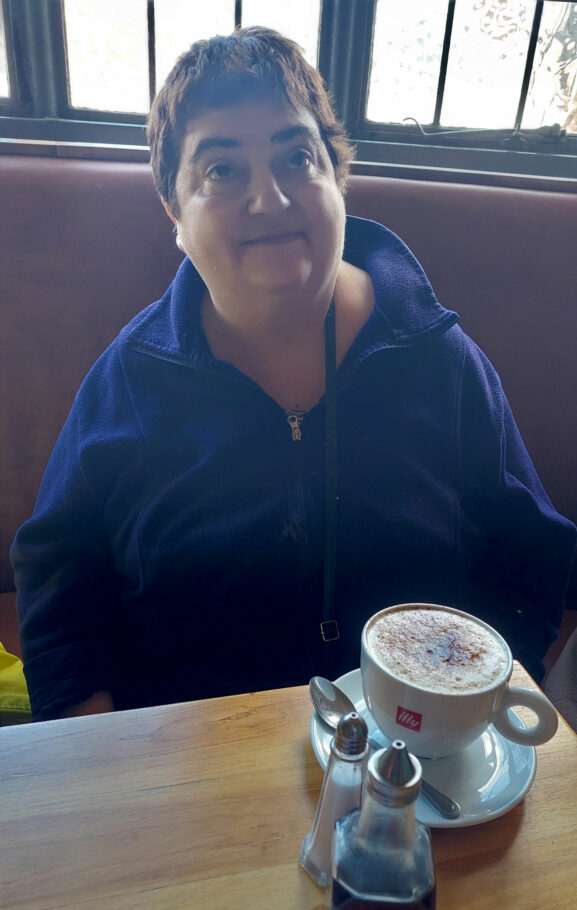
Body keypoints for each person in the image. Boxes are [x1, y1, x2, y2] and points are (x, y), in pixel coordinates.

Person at [11, 27, 576, 721]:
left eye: (296, 158)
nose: (271, 199)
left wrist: (467, 714)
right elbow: (59, 580)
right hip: (187, 757)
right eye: (222, 170)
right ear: (174, 212)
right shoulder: (128, 380)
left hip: (408, 757)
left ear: (337, 178)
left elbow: (532, 555)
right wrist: (104, 754)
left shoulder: (439, 357)